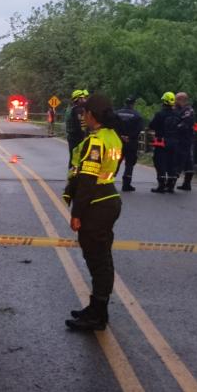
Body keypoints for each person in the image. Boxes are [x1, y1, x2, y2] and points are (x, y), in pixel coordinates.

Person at [62, 93, 122, 331]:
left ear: (92, 115)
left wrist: (76, 213)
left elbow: (87, 180)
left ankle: (97, 315)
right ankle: (97, 309)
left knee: (97, 260)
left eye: (84, 113)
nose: (82, 117)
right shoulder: (113, 137)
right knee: (102, 258)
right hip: (108, 199)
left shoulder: (96, 141)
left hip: (96, 203)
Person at [148, 91, 180, 193]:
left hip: (161, 142)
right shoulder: (177, 114)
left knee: (160, 163)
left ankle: (161, 186)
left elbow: (151, 126)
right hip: (175, 142)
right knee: (172, 163)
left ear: (164, 101)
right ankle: (171, 186)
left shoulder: (160, 114)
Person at [115, 96, 145, 191]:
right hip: (131, 143)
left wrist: (120, 136)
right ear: (133, 104)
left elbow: (112, 126)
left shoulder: (116, 113)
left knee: (114, 162)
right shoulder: (137, 115)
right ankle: (126, 185)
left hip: (117, 142)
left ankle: (107, 182)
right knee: (129, 164)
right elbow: (139, 129)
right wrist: (130, 137)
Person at [174, 92, 196, 191]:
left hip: (185, 139)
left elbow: (185, 124)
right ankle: (186, 184)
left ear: (181, 100)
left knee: (181, 160)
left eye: (176, 99)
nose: (175, 101)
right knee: (187, 161)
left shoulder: (188, 110)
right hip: (181, 138)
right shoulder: (179, 109)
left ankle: (174, 182)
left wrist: (174, 128)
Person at [65, 89, 88, 167]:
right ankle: (75, 176)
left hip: (71, 137)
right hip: (77, 138)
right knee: (79, 158)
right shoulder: (78, 110)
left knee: (73, 158)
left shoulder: (70, 108)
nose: (85, 100)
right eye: (83, 98)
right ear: (78, 99)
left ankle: (72, 175)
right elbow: (80, 126)